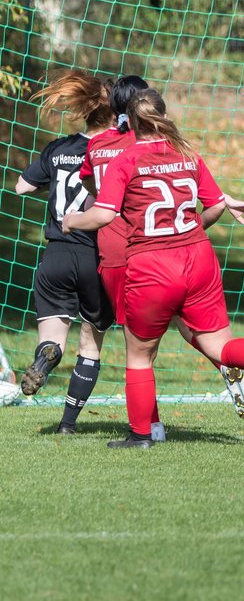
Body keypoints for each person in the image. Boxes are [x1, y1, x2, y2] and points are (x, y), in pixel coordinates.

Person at [63, 89, 244, 448]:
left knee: (140, 355)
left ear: (129, 121)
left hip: (152, 264)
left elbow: (104, 214)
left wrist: (72, 221)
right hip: (199, 257)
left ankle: (141, 435)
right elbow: (216, 203)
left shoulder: (126, 160)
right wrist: (188, 233)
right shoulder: (187, 152)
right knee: (220, 345)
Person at [80, 74, 244, 432]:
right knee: (190, 326)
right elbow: (187, 186)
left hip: (123, 251)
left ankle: (149, 428)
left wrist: (71, 221)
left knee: (139, 351)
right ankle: (228, 363)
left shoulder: (102, 147)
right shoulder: (169, 144)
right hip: (178, 249)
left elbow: (94, 191)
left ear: (119, 110)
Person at [14, 71, 115, 435]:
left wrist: (57, 182)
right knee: (90, 344)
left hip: (55, 255)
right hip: (95, 256)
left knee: (53, 338)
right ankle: (68, 425)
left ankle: (46, 357)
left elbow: (22, 186)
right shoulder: (115, 151)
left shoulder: (58, 148)